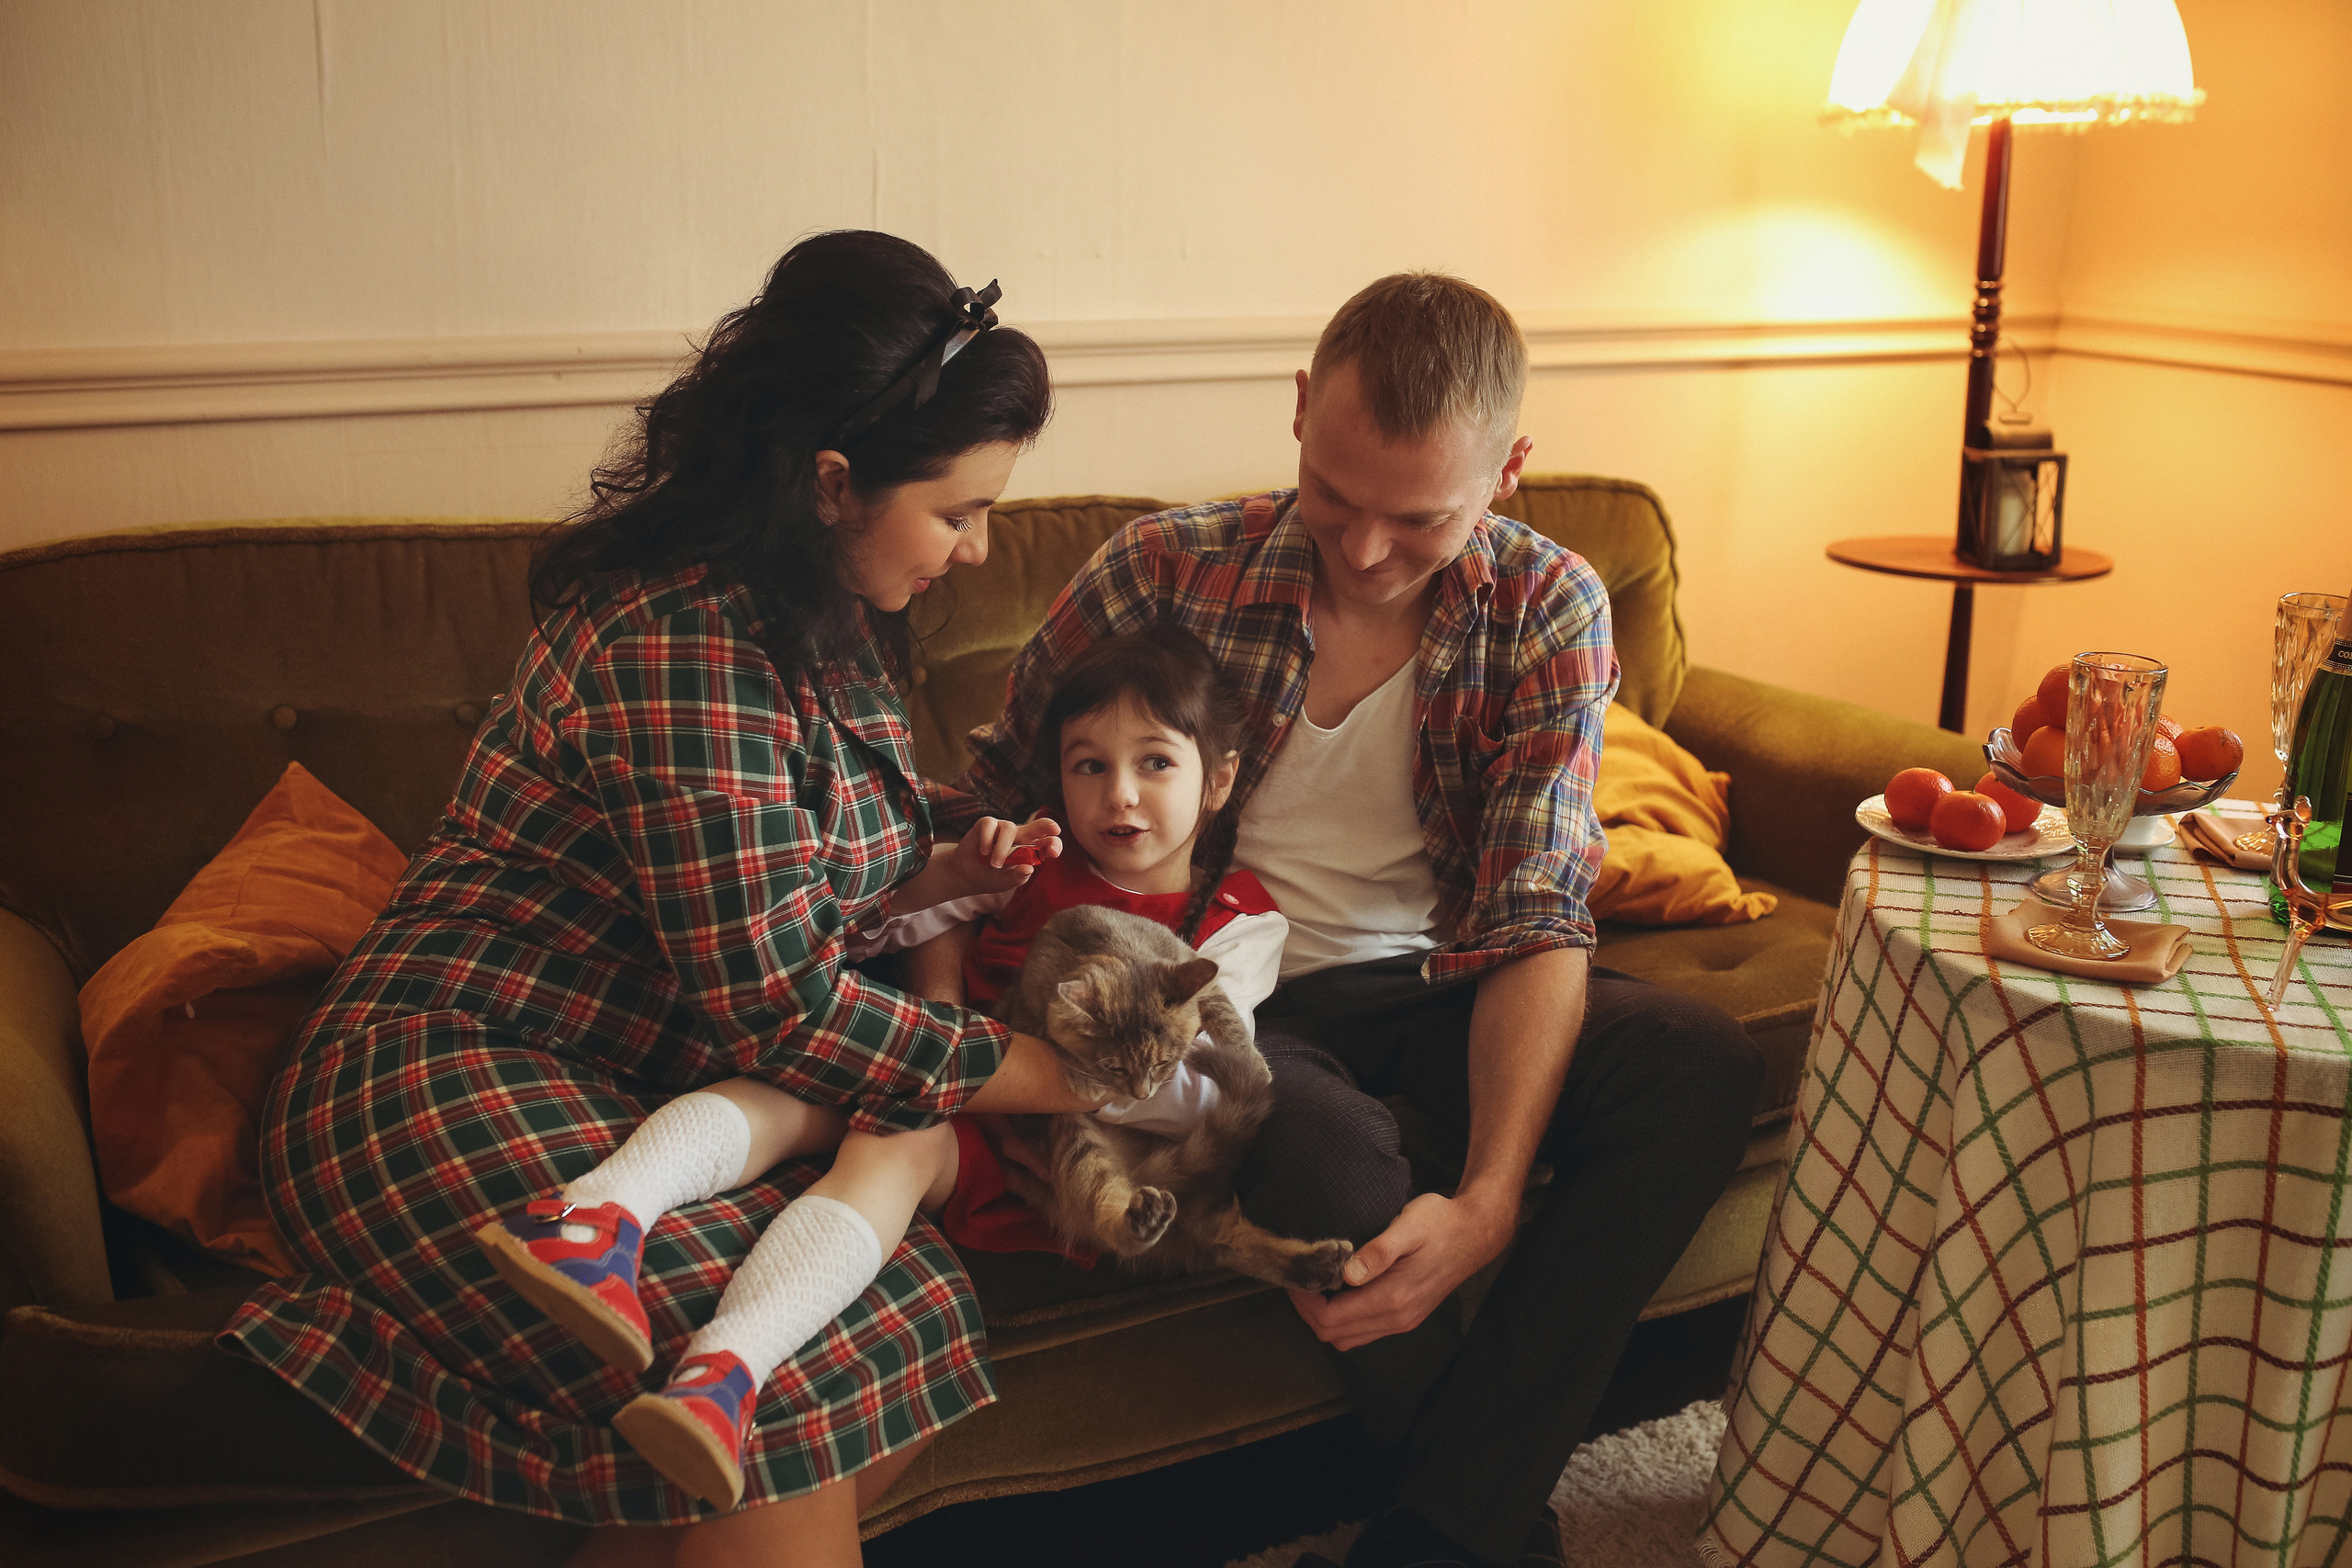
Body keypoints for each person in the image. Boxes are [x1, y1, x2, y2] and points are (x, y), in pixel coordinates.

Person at [220, 231, 1110, 1568]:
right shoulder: (680, 638)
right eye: (957, 511)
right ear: (831, 483)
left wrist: (981, 848)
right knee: (774, 1390)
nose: (979, 549)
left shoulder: (825, 612)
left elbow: (823, 831)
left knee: (900, 1311)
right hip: (453, 1061)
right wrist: (1061, 1075)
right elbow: (785, 1006)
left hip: (644, 1086)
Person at [959, 273, 1766, 1568]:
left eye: (1420, 517)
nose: (1367, 549)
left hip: (1448, 981)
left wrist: (1488, 1199)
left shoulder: (1548, 604)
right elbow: (996, 796)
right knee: (1313, 1152)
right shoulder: (1162, 570)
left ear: (1508, 470)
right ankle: (1478, 1531)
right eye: (1334, 496)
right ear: (1299, 410)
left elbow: (1535, 911)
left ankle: (1442, 1528)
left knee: (1700, 1063)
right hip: (1235, 1000)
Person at [471, 623, 1284, 1514]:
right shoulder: (1039, 862)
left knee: (894, 1145)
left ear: (1219, 780)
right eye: (1088, 764)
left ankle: (724, 1368)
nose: (1118, 793)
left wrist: (1015, 1068)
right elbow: (875, 929)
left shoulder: (1237, 920)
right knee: (790, 1085)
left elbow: (1195, 1092)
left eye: (1155, 763)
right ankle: (594, 1212)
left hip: (1032, 1148)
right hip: (923, 1066)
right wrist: (957, 873)